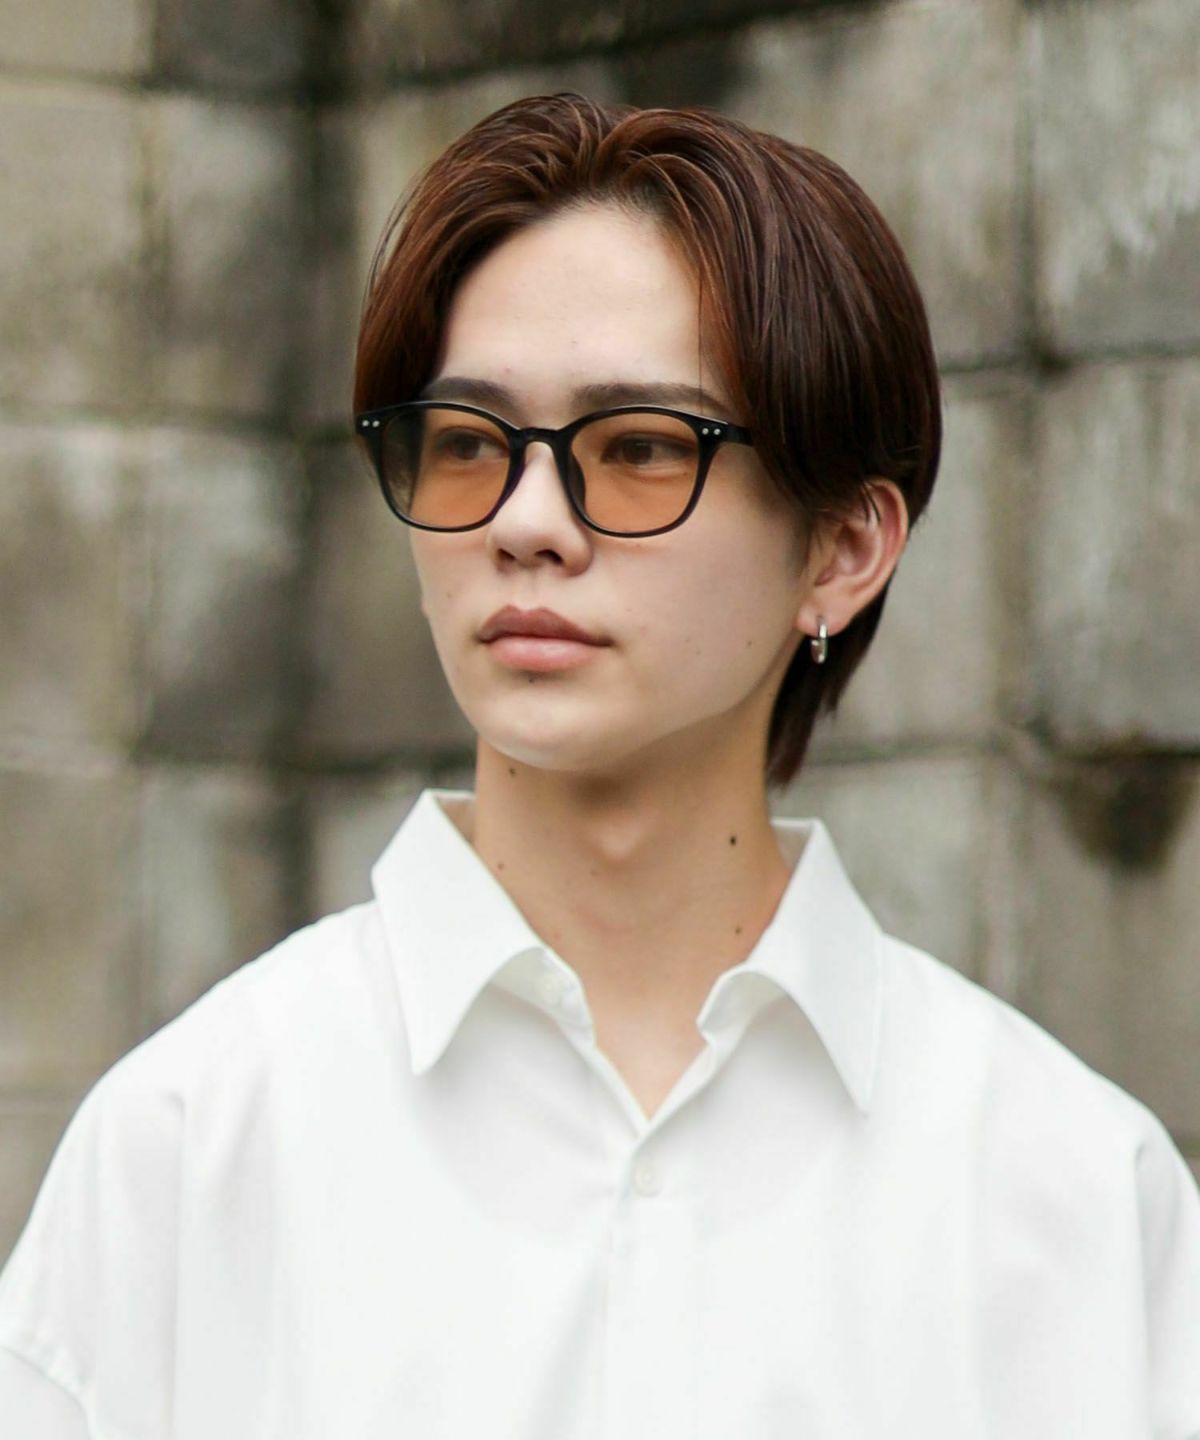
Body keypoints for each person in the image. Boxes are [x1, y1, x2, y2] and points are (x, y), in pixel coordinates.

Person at [1, 92, 1197, 1437]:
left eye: (638, 449)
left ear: (844, 548)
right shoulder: (191, 1148)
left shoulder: (1073, 1201)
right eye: (468, 443)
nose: (526, 521)